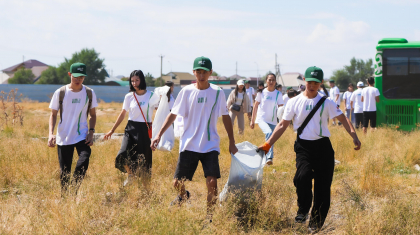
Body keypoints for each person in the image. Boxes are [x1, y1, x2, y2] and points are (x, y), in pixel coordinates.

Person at [258, 66, 361, 232]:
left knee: (322, 188)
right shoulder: (293, 102)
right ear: (304, 81)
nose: (312, 85)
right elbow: (283, 124)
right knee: (301, 178)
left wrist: (354, 136)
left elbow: (342, 117)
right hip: (303, 147)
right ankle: (303, 208)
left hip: (323, 147)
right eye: (310, 81)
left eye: (316, 82)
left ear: (320, 83)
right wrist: (268, 144)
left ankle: (315, 224)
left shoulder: (326, 102)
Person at [150, 56, 238, 217]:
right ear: (194, 72)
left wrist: (232, 142)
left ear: (210, 72)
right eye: (198, 71)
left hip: (210, 144)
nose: (201, 75)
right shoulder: (186, 92)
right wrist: (158, 135)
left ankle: (209, 218)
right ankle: (183, 196)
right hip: (189, 144)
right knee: (177, 183)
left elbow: (226, 117)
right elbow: (173, 114)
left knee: (212, 182)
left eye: (204, 72)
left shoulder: (218, 93)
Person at [48, 62, 98, 196]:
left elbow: (93, 115)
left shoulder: (89, 93)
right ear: (70, 75)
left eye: (81, 77)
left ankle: (74, 188)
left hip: (82, 135)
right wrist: (50, 134)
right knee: (65, 171)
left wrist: (91, 132)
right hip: (64, 136)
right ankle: (65, 198)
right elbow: (53, 114)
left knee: (85, 157)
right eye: (76, 76)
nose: (78, 79)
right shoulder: (61, 92)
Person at [104, 70, 160, 187]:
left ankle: (146, 191)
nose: (134, 83)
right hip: (130, 129)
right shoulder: (129, 96)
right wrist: (112, 130)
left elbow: (160, 111)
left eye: (137, 80)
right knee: (122, 153)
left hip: (145, 130)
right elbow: (123, 114)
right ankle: (131, 175)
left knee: (144, 161)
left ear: (142, 80)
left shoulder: (151, 96)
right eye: (132, 81)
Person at [250, 73, 284, 165]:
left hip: (273, 120)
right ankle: (269, 157)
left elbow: (281, 107)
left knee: (271, 139)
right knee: (269, 133)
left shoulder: (278, 94)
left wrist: (282, 120)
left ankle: (262, 155)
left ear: (275, 82)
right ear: (266, 81)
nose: (271, 82)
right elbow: (255, 106)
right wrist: (252, 121)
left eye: (273, 80)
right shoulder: (261, 93)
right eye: (269, 80)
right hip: (262, 119)